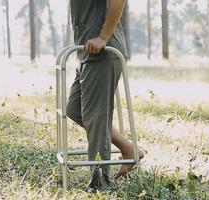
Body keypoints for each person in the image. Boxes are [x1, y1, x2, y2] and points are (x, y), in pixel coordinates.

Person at [66, 0, 144, 190]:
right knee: (74, 109)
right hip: (86, 53)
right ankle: (128, 148)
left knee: (96, 118)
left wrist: (103, 36)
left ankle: (100, 183)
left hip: (102, 52)